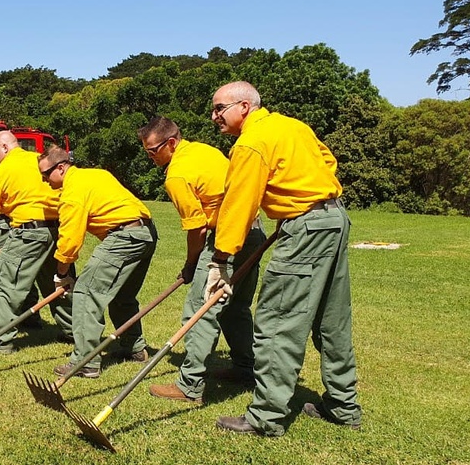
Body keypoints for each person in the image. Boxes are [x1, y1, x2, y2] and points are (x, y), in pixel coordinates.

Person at [209, 81, 361, 436]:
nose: (215, 116)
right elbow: (328, 161)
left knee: (277, 321)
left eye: (220, 108)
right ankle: (343, 406)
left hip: (307, 229)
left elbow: (238, 205)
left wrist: (220, 260)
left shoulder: (250, 143)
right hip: (334, 219)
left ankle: (266, 416)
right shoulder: (291, 125)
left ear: (244, 107)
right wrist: (300, 194)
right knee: (331, 320)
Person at [138, 117, 266, 403]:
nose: (149, 157)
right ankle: (245, 368)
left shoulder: (177, 175)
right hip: (254, 233)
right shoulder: (204, 150)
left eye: (153, 150)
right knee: (236, 308)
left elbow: (196, 228)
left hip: (226, 240)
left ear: (171, 143)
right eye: (146, 151)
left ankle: (190, 385)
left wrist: (191, 264)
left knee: (199, 310)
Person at [38, 147, 156, 378]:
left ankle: (85, 362)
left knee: (85, 293)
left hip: (124, 236)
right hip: (146, 233)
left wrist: (61, 275)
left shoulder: (73, 191)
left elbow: (70, 240)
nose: (44, 180)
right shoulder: (96, 174)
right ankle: (135, 348)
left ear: (61, 168)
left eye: (46, 174)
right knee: (122, 296)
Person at [0, 131, 73, 354]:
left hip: (27, 234)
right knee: (59, 284)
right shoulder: (38, 160)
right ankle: (74, 332)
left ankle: (0, 340)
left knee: (6, 286)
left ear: (6, 147)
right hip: (57, 230)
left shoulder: (2, 172)